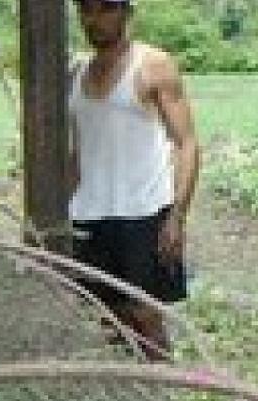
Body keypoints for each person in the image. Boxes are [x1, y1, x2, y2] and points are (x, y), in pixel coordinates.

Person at [68, 0, 200, 360]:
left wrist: (176, 217)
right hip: (90, 214)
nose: (94, 20)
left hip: (143, 212)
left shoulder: (153, 66)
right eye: (87, 10)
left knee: (145, 315)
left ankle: (164, 397)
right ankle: (131, 396)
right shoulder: (76, 72)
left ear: (126, 13)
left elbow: (186, 143)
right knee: (106, 315)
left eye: (106, 9)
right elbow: (79, 152)